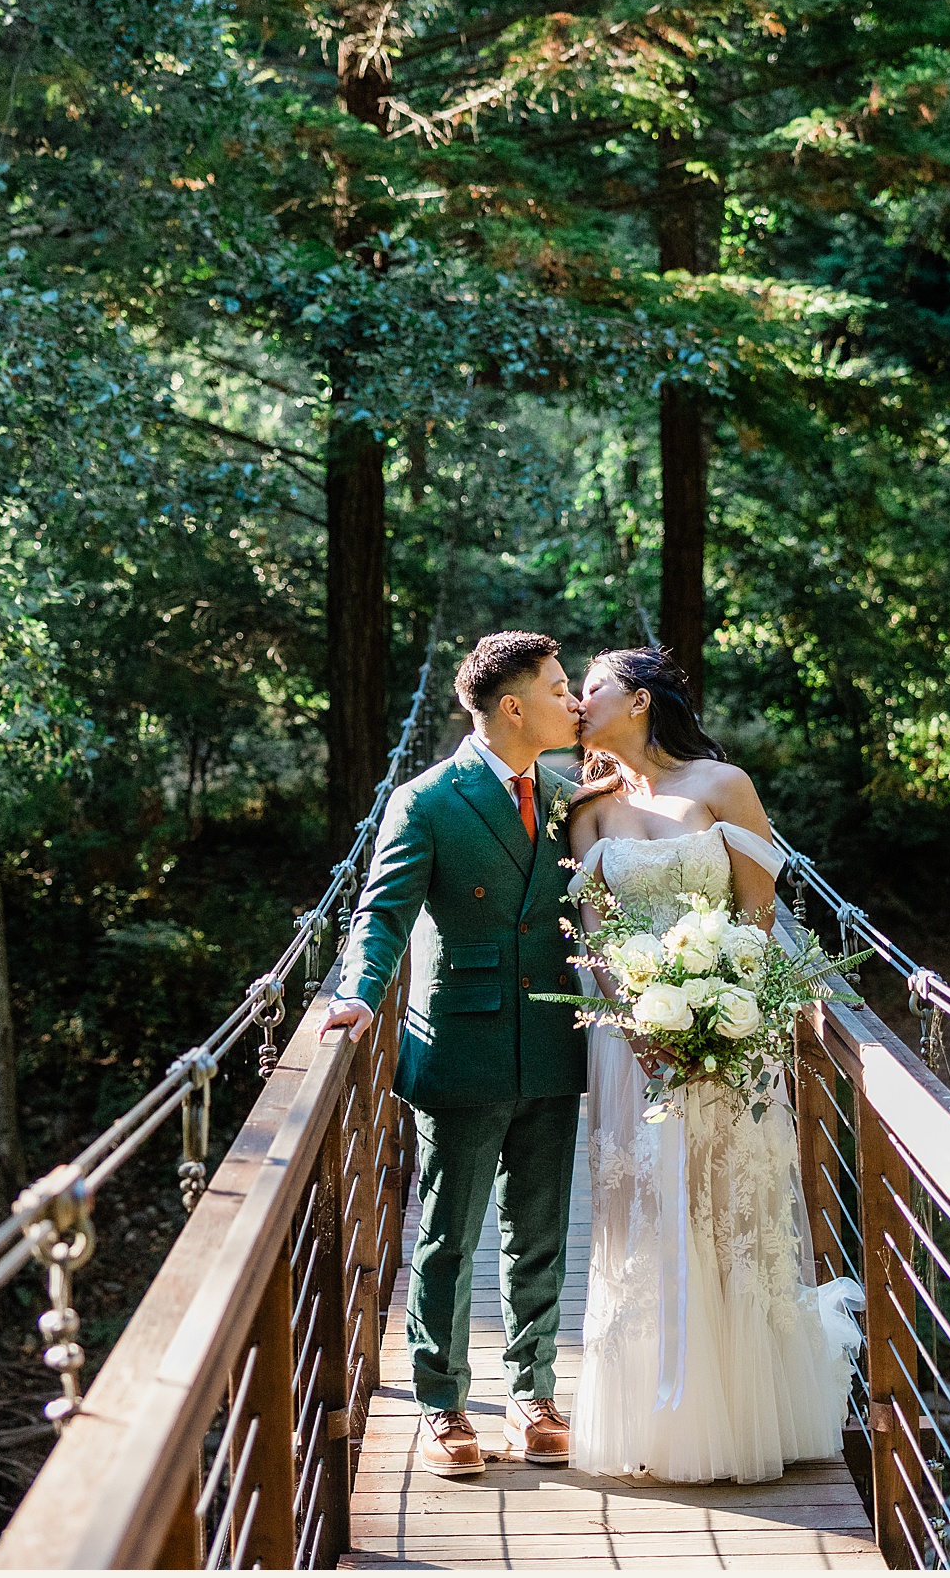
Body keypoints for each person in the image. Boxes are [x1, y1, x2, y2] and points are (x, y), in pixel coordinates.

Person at [563, 644, 862, 1484]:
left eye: (592, 689)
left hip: (731, 1030)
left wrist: (717, 1014)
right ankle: (660, 1421)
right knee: (647, 1210)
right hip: (628, 1040)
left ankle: (747, 1411)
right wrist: (637, 1017)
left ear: (642, 701)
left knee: (730, 1203)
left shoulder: (722, 788)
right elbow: (590, 941)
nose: (578, 703)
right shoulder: (587, 812)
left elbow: (760, 919)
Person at [320, 631, 586, 1479]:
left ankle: (532, 1390)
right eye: (558, 686)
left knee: (538, 1229)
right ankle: (441, 1403)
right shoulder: (425, 800)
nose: (574, 700)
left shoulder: (571, 788)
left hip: (553, 1034)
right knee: (445, 1233)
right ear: (514, 706)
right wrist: (361, 991)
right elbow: (382, 913)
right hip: (461, 1042)